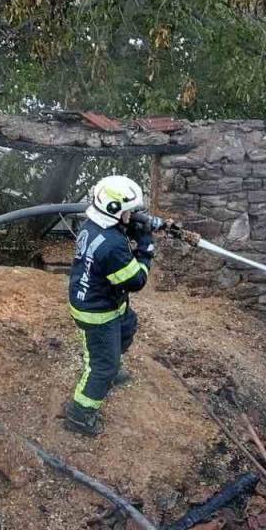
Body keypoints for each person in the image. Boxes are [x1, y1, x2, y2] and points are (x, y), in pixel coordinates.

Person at [63, 175, 157, 437]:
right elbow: (136, 281)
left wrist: (130, 228)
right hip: (97, 312)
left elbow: (111, 242)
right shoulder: (113, 246)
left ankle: (112, 365)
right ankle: (79, 415)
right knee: (102, 367)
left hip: (105, 299)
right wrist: (146, 247)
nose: (133, 215)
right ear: (115, 210)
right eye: (129, 211)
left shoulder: (94, 224)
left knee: (128, 325)